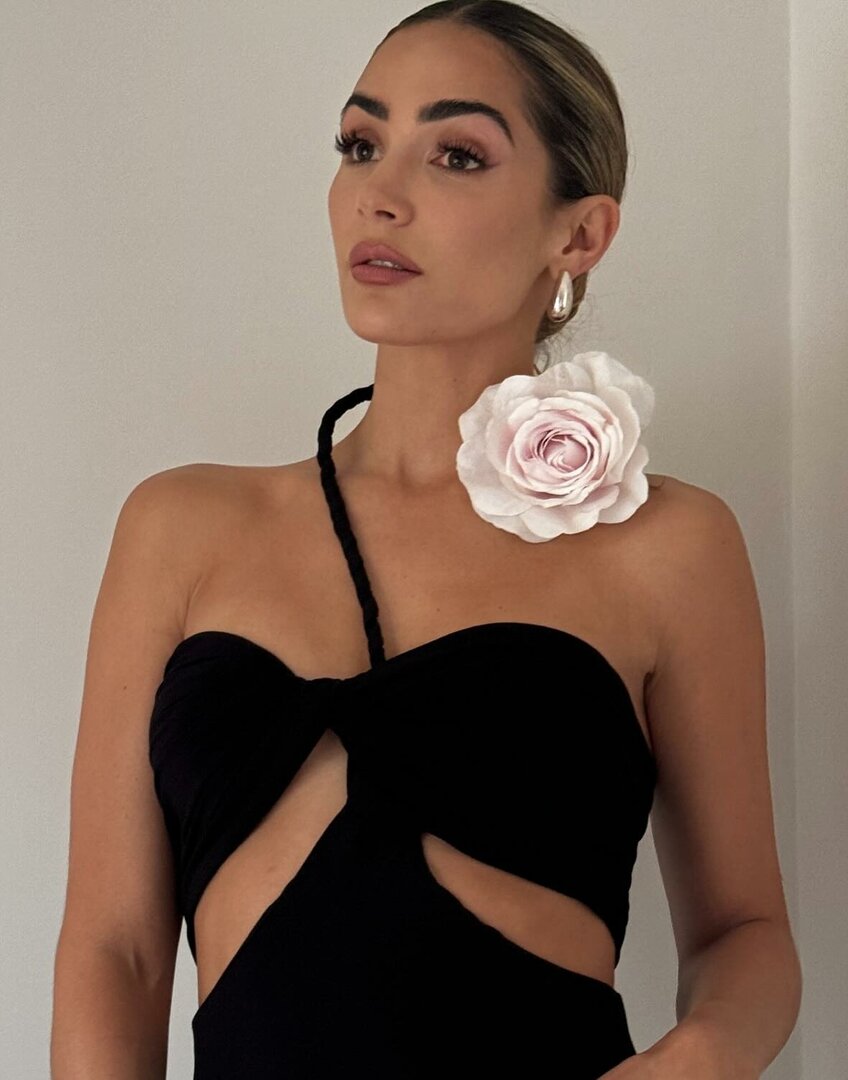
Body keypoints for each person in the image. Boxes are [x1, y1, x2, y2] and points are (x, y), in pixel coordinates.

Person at [51, 2, 801, 1077]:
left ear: (579, 234)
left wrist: (697, 1061)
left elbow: (744, 931)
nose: (379, 193)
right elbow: (115, 952)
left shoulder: (668, 546)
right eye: (360, 144)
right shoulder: (179, 528)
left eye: (455, 155)